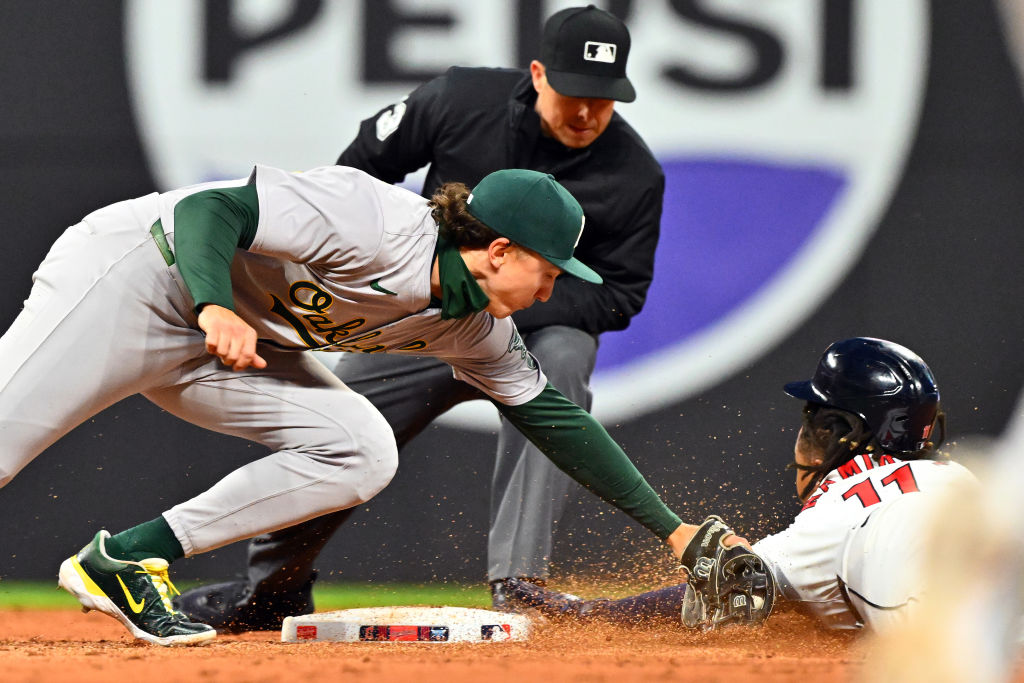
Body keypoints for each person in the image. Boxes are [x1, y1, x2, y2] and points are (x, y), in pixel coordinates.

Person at [0, 164, 711, 646]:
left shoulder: (476, 328)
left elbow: (558, 421)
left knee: (361, 449)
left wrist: (674, 532)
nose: (552, 291)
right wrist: (215, 301)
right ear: (498, 249)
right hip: (137, 277)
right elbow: (208, 208)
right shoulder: (377, 221)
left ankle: (127, 558)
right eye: (547, 271)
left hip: (229, 339)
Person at [175, 4, 665, 631]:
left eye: (605, 99)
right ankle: (269, 590)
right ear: (539, 74)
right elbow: (353, 176)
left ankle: (520, 580)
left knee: (567, 359)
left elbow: (620, 293)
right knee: (336, 430)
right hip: (424, 318)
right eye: (575, 92)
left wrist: (501, 311)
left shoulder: (634, 174)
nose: (586, 112)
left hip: (532, 331)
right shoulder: (461, 100)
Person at [502, 338, 979, 632]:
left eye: (816, 425)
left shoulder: (838, 507)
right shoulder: (961, 477)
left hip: (923, 598)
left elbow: (734, 584)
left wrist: (592, 615)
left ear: (840, 433)